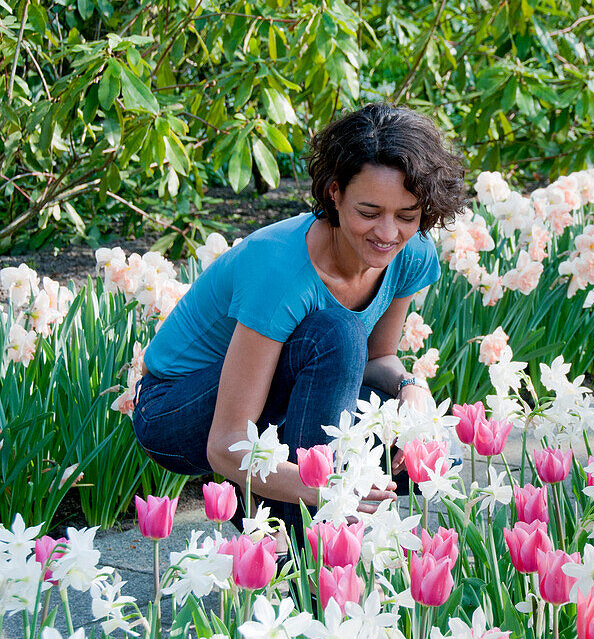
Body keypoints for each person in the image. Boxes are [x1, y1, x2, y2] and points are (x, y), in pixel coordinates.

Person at [131, 102, 467, 540]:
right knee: (335, 333)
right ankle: (305, 558)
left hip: (274, 393)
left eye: (406, 215)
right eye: (369, 212)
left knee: (434, 453)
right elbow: (226, 442)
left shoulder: (410, 253)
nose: (388, 234)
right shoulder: (279, 269)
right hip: (178, 410)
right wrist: (332, 487)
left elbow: (377, 358)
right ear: (334, 193)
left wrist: (411, 388)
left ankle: (283, 528)